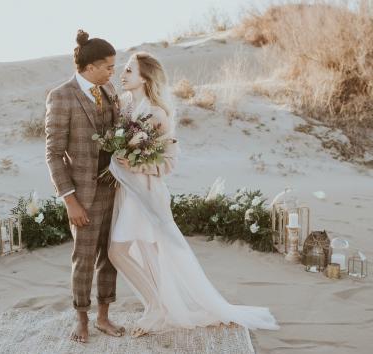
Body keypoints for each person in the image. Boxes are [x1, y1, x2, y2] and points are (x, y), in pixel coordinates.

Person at [107, 51, 281, 338]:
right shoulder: (126, 107)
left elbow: (169, 163)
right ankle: (157, 306)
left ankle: (156, 307)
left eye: (129, 70)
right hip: (127, 193)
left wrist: (137, 163)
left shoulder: (157, 113)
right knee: (132, 251)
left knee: (132, 250)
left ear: (145, 77)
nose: (123, 75)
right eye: (123, 70)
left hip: (146, 194)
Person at [44, 29, 125, 344]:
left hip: (114, 188)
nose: (112, 72)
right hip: (83, 195)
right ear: (90, 67)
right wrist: (70, 200)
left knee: (111, 255)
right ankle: (81, 319)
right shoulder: (61, 96)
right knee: (84, 257)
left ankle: (104, 317)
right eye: (108, 67)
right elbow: (52, 155)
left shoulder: (108, 91)